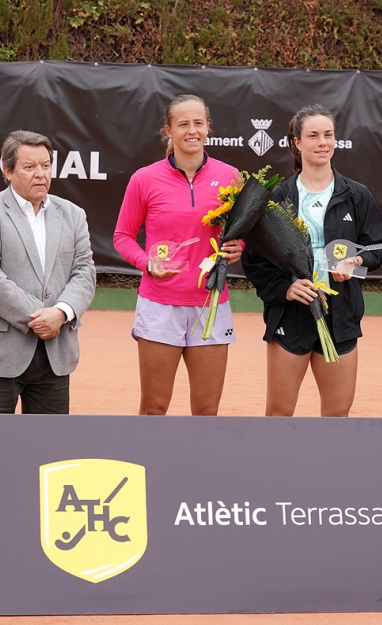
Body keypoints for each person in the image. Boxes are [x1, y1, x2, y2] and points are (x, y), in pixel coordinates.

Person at [242, 104, 382, 416]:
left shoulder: (356, 195)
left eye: (328, 135)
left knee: (337, 416)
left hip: (341, 314)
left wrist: (356, 263)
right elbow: (254, 260)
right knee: (279, 413)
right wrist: (285, 289)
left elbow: (378, 245)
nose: (323, 142)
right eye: (314, 135)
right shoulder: (277, 197)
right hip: (291, 315)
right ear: (297, 142)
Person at [113, 94, 243, 416]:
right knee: (154, 408)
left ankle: (201, 468)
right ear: (168, 130)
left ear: (208, 128)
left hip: (211, 304)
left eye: (198, 123)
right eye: (183, 124)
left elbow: (244, 233)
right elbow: (122, 237)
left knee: (206, 410)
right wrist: (147, 263)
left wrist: (240, 247)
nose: (191, 130)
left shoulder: (231, 177)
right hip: (160, 305)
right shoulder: (144, 179)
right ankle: (150, 467)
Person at [0, 130, 96, 414]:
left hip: (56, 353)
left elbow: (84, 271)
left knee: (49, 450)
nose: (40, 174)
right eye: (29, 167)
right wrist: (42, 316)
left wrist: (62, 313)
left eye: (45, 165)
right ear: (7, 170)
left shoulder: (73, 214)